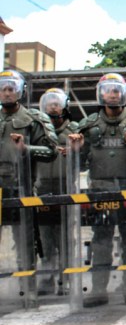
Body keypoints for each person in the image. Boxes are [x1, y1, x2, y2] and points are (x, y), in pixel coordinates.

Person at [68, 73, 126, 307]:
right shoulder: (87, 125)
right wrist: (76, 150)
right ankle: (98, 289)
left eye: (117, 90)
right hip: (100, 191)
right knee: (101, 242)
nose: (113, 94)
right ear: (100, 94)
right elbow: (79, 163)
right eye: (109, 90)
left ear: (125, 94)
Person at [0, 70, 58, 306]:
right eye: (3, 88)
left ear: (21, 91)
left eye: (11, 88)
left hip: (20, 188)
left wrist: (27, 149)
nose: (6, 92)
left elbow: (51, 151)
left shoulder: (34, 119)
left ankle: (28, 290)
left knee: (25, 243)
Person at [34, 88, 77, 296]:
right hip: (42, 189)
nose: (53, 106)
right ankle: (47, 278)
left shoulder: (74, 129)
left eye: (56, 102)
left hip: (66, 188)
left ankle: (66, 279)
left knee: (66, 239)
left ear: (63, 106)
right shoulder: (37, 130)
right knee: (45, 238)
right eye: (49, 102)